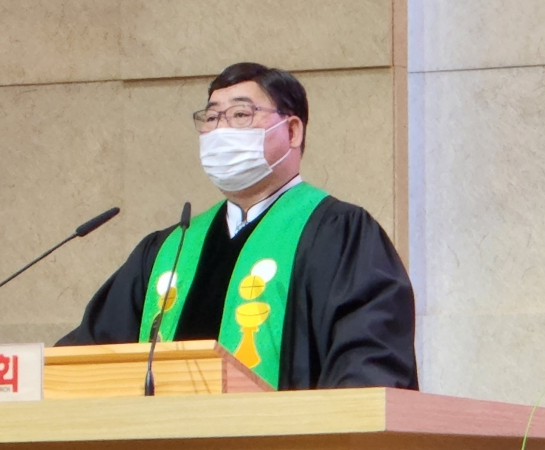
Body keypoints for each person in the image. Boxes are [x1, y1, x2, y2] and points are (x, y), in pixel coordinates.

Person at [58, 62, 418, 391]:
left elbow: (369, 362)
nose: (220, 130)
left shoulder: (339, 234)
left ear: (292, 131)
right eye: (211, 117)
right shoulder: (169, 250)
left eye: (241, 114)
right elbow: (89, 357)